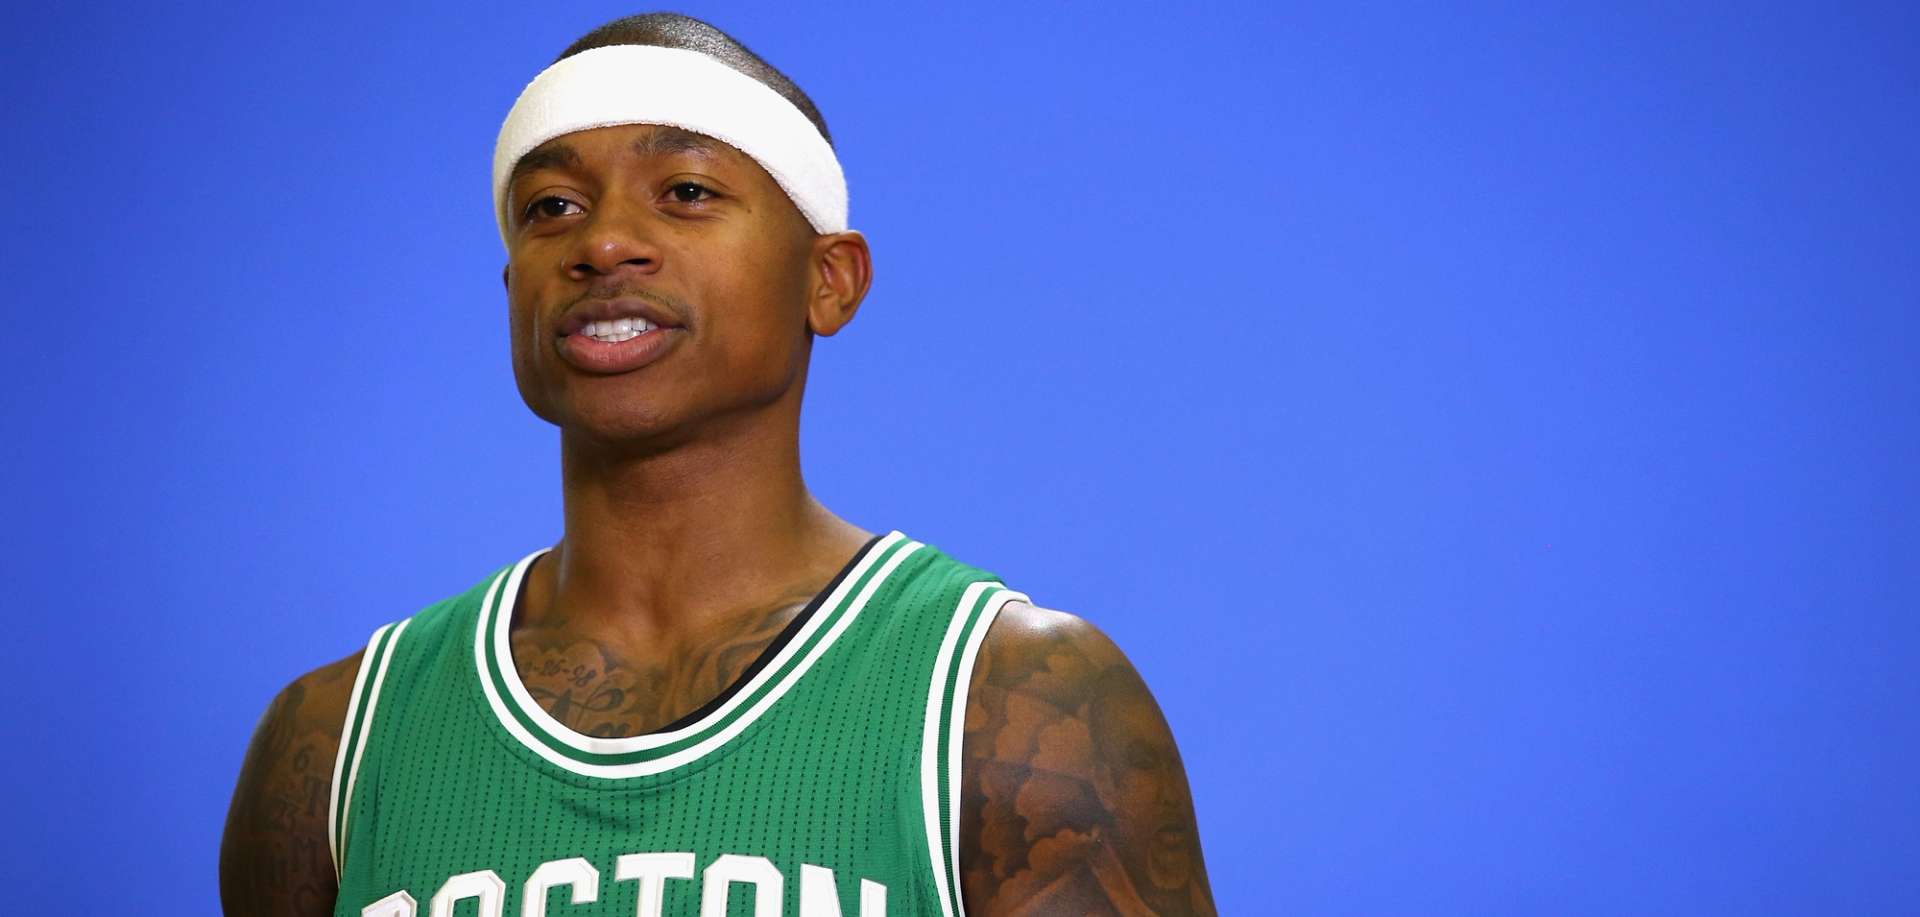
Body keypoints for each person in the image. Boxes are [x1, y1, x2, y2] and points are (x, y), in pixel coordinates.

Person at [220, 12, 1215, 916]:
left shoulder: (1014, 705)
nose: (604, 242)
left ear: (830, 281)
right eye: (553, 206)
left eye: (687, 192)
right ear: (512, 289)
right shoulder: (336, 741)